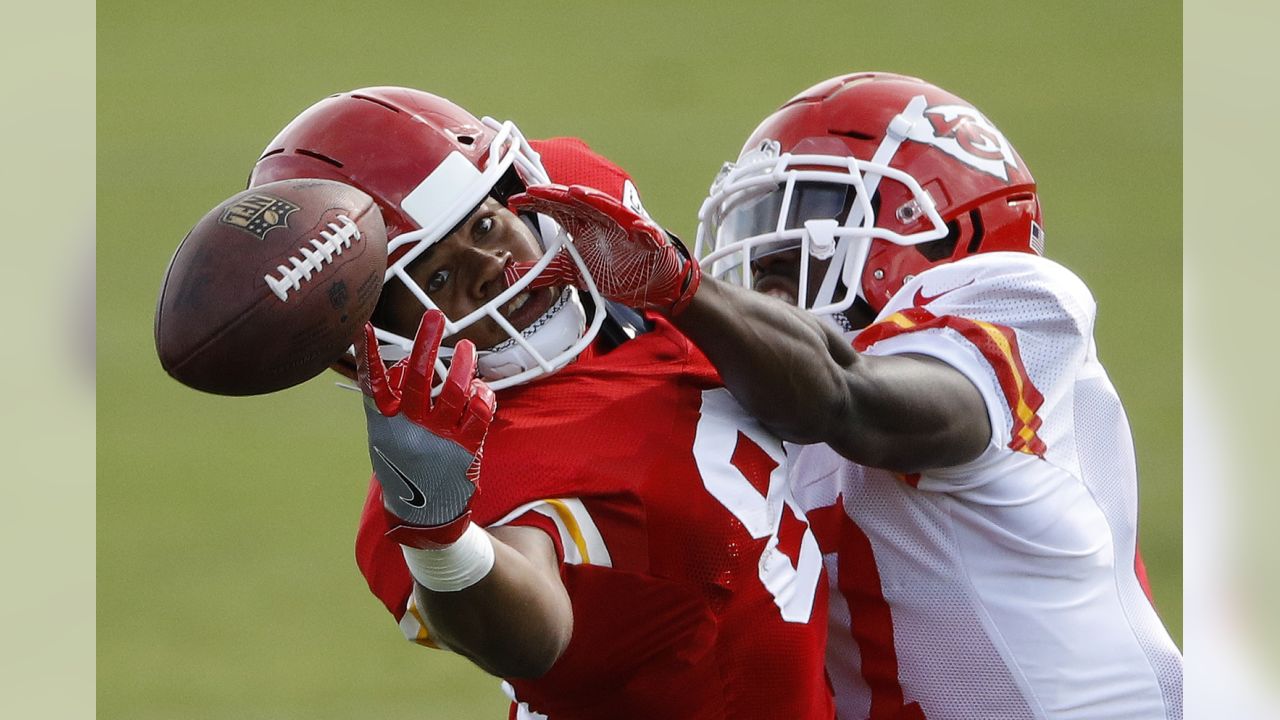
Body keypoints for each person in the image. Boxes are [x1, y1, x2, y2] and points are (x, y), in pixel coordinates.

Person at [511, 71, 1183, 719]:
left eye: (800, 240)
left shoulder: (1022, 306)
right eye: (761, 252)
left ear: (933, 225)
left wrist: (684, 293)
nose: (767, 283)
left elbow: (847, 400)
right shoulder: (762, 394)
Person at [247, 86, 834, 720]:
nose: (491, 264)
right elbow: (531, 635)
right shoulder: (462, 475)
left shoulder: (581, 204)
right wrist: (440, 535)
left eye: (484, 224)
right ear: (373, 348)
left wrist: (683, 289)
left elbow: (828, 394)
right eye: (436, 277)